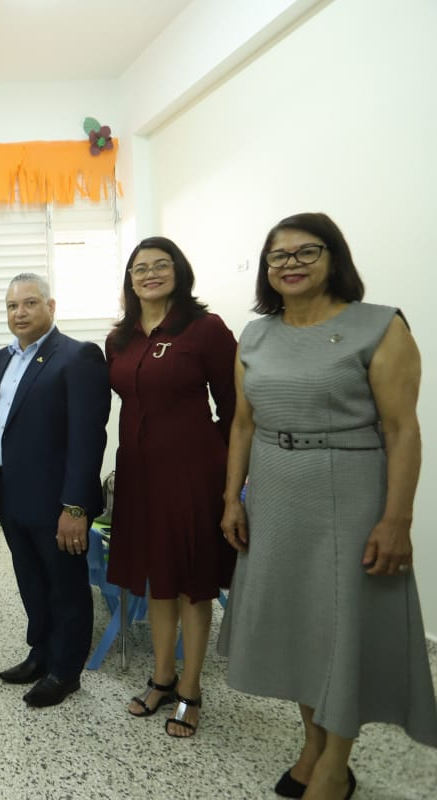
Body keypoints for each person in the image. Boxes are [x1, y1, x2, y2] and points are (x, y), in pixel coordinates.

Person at [219, 213, 437, 798]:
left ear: (333, 257)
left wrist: (398, 519)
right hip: (274, 491)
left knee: (341, 626)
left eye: (305, 252)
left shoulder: (379, 327)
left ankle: (336, 764)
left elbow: (403, 431)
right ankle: (312, 743)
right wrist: (231, 498)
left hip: (351, 491)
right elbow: (242, 423)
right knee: (299, 624)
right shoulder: (256, 335)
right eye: (277, 256)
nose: (289, 263)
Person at [105, 239, 237, 737]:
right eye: (140, 268)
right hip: (138, 475)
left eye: (161, 265)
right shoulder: (119, 339)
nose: (151, 274)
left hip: (192, 474)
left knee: (191, 584)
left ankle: (191, 688)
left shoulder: (206, 330)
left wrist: (225, 474)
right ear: (130, 280)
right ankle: (161, 678)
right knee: (156, 580)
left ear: (180, 272)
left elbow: (235, 408)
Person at [0, 274, 110, 708]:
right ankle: (40, 653)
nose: (19, 313)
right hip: (10, 495)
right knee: (31, 582)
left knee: (65, 586)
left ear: (51, 307)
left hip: (56, 500)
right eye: (11, 306)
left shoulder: (78, 357)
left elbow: (88, 436)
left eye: (29, 303)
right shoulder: (2, 360)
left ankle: (65, 670)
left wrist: (75, 506)